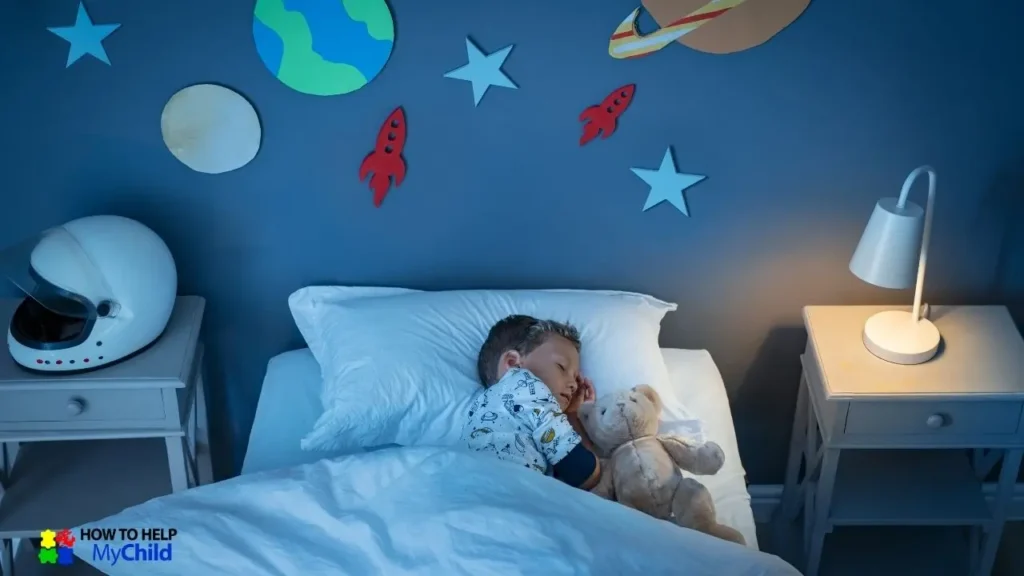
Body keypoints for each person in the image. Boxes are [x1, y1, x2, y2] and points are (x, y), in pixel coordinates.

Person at [460, 314, 601, 490]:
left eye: (575, 377)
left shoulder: (479, 407)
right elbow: (585, 473)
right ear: (513, 364)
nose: (573, 384)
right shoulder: (526, 385)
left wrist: (570, 414)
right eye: (561, 367)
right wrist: (573, 416)